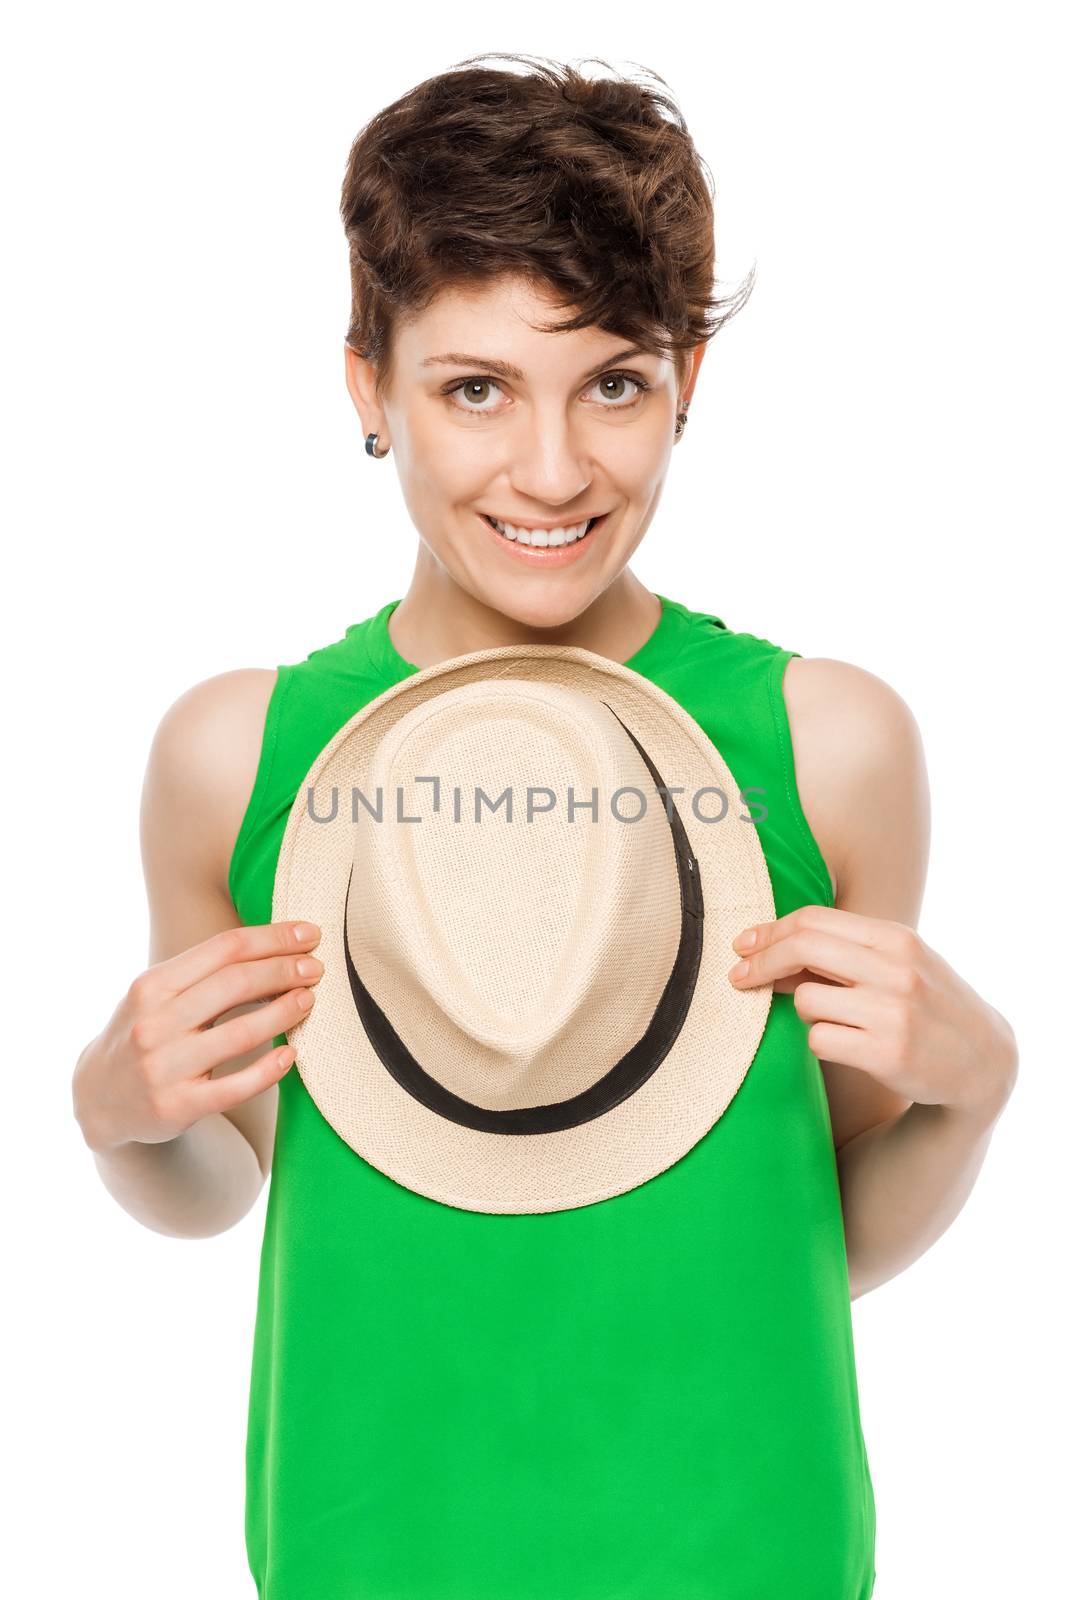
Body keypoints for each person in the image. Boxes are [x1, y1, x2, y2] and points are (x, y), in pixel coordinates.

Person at [71, 52, 1018, 1600]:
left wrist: (970, 1100)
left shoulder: (826, 744)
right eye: (474, 388)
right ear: (369, 385)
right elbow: (233, 1178)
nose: (556, 471)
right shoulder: (240, 755)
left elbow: (811, 1231)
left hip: (743, 1541)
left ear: (686, 383)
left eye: (617, 384)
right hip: (367, 1536)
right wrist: (118, 1113)